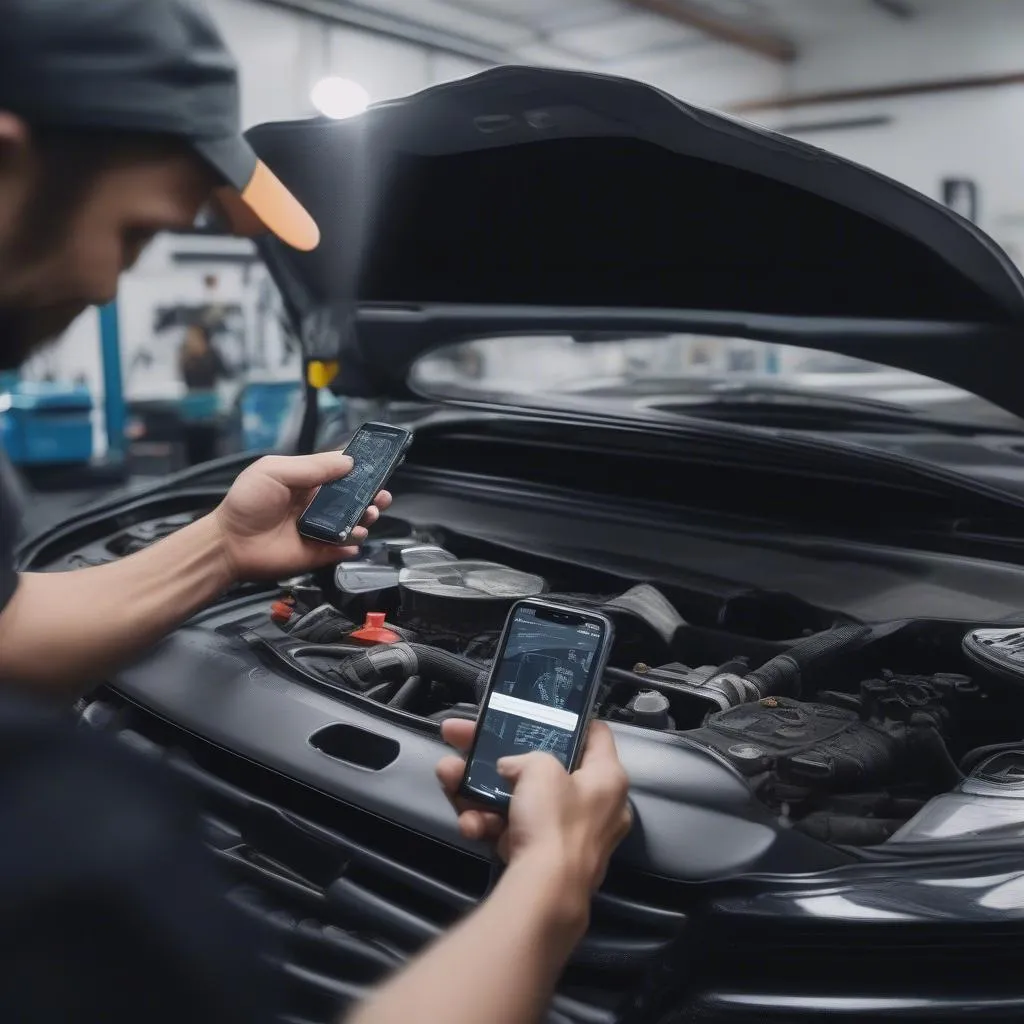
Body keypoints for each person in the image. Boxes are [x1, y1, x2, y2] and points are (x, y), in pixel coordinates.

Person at [0, 3, 633, 1023]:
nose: (107, 283)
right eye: (133, 234)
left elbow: (6, 637)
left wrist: (220, 546)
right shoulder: (71, 840)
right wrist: (553, 885)